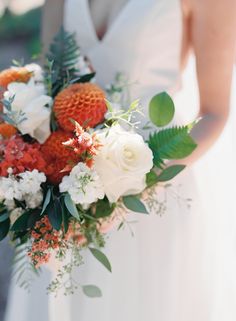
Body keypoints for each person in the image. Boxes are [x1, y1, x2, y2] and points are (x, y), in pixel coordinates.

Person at [4, 1, 236, 321]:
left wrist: (134, 181)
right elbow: (47, 82)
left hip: (154, 193)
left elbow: (214, 113)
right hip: (67, 189)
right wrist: (31, 165)